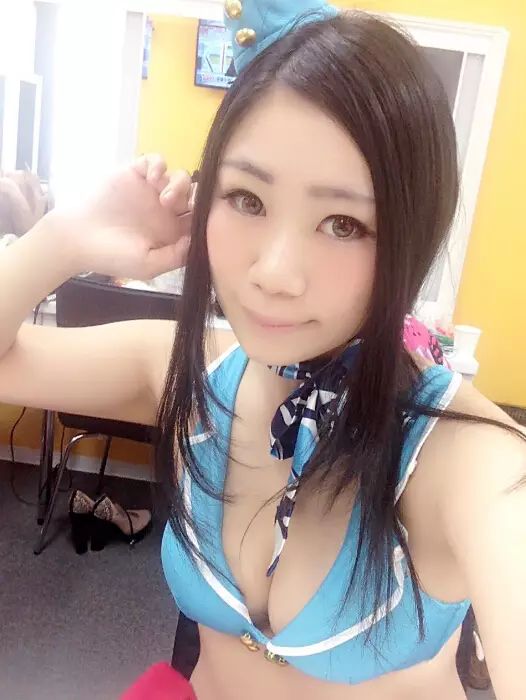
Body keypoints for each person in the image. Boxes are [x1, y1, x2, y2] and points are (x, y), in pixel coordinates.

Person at [0, 2, 525, 699]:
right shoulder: (188, 371)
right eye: (247, 199)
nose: (274, 273)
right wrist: (64, 239)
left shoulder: (461, 457)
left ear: (411, 234)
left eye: (344, 223)